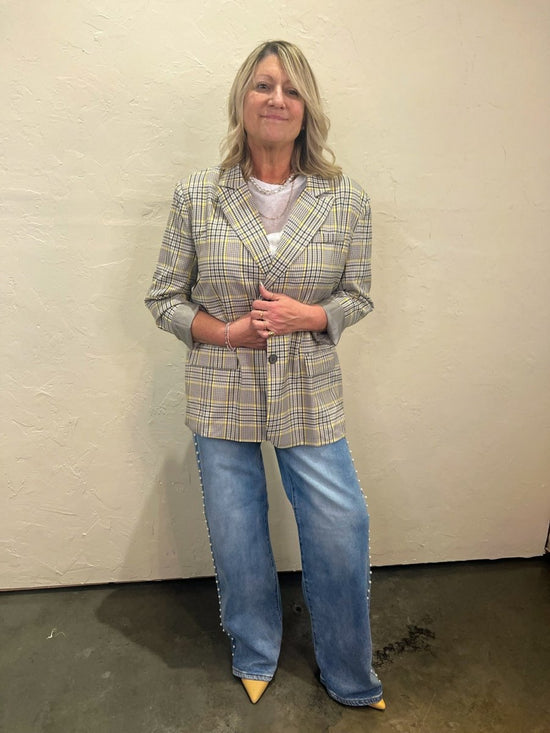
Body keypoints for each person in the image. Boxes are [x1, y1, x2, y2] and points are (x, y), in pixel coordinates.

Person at [145, 40, 384, 709]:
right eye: (263, 85)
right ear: (242, 101)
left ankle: (349, 671)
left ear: (307, 108)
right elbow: (164, 298)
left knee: (341, 524)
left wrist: (310, 315)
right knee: (236, 527)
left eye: (291, 89)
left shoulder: (346, 200)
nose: (277, 99)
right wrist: (229, 332)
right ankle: (254, 650)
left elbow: (358, 296)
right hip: (221, 384)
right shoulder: (198, 196)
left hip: (309, 386)